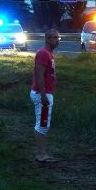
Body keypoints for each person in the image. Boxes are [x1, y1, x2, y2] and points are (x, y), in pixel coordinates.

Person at [30, 29, 60, 163]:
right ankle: (41, 155)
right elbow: (39, 75)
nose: (56, 40)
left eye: (57, 37)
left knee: (43, 124)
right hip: (42, 94)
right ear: (47, 39)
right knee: (42, 125)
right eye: (53, 38)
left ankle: (42, 153)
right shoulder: (43, 53)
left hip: (46, 93)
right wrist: (43, 95)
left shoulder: (49, 53)